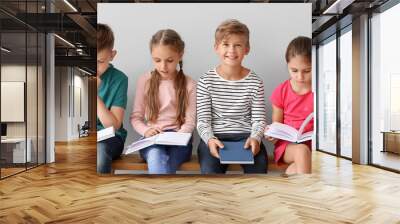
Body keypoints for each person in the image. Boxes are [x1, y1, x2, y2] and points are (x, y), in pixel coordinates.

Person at [197, 19, 267, 174]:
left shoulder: (255, 82)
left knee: (259, 168)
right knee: (210, 172)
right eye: (226, 44)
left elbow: (259, 119)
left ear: (247, 49)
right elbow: (203, 121)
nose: (232, 50)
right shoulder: (205, 81)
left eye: (238, 45)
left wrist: (255, 138)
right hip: (215, 137)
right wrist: (210, 139)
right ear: (216, 47)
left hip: (246, 137)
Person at [130, 29, 196, 174]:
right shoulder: (145, 80)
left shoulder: (189, 83)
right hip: (152, 140)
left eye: (170, 60)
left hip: (179, 140)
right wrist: (146, 131)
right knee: (156, 156)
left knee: (169, 160)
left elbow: (190, 122)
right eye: (157, 60)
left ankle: (159, 194)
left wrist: (178, 136)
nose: (163, 67)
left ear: (180, 55)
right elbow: (136, 118)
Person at [266, 36, 313, 175]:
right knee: (302, 151)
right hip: (288, 146)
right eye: (294, 71)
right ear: (287, 65)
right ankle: (309, 192)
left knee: (295, 170)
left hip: (314, 144)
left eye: (307, 71)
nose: (300, 77)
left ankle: (292, 187)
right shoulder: (281, 91)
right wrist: (272, 135)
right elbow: (277, 126)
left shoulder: (321, 89)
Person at [97, 23, 128, 174]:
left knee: (99, 149)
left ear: (112, 55)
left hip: (111, 138)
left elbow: (113, 125)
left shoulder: (119, 79)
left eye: (100, 62)